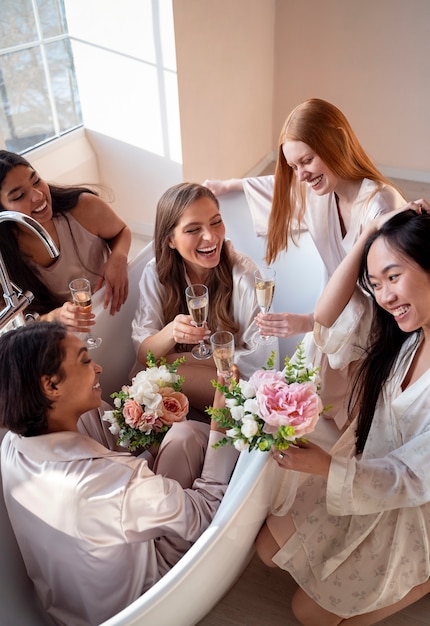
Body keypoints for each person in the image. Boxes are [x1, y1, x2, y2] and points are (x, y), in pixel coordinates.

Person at [255, 203, 430, 625]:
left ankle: (424, 576)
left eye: (394, 276)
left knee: (308, 614)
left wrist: (326, 468)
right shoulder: (405, 335)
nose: (385, 296)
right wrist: (371, 229)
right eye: (376, 284)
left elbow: (412, 478)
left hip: (413, 500)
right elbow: (326, 319)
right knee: (266, 552)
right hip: (364, 472)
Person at [0, 321, 238, 626]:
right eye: (85, 360)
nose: (98, 367)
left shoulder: (13, 445)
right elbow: (207, 512)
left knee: (184, 435)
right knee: (192, 437)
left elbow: (114, 448)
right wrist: (223, 423)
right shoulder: (111, 482)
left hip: (72, 609)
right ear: (51, 386)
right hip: (146, 604)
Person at [204, 98, 406, 428]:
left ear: (337, 140)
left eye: (307, 160)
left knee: (339, 417)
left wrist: (310, 321)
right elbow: (280, 187)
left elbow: (382, 295)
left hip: (376, 332)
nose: (301, 175)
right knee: (304, 408)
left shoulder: (379, 203)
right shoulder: (321, 191)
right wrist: (229, 187)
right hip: (333, 323)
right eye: (294, 166)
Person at [131, 182, 277, 413]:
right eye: (192, 230)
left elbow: (260, 362)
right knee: (149, 375)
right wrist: (172, 331)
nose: (210, 237)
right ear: (170, 239)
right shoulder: (157, 273)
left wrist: (180, 360)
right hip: (202, 378)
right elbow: (144, 353)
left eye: (216, 222)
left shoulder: (244, 275)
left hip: (241, 388)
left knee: (152, 377)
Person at [0, 150, 131, 332]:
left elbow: (121, 231)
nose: (38, 196)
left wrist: (118, 257)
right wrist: (53, 317)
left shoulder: (84, 207)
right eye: (18, 196)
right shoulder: (3, 260)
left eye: (36, 180)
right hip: (58, 338)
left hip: (109, 307)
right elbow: (13, 327)